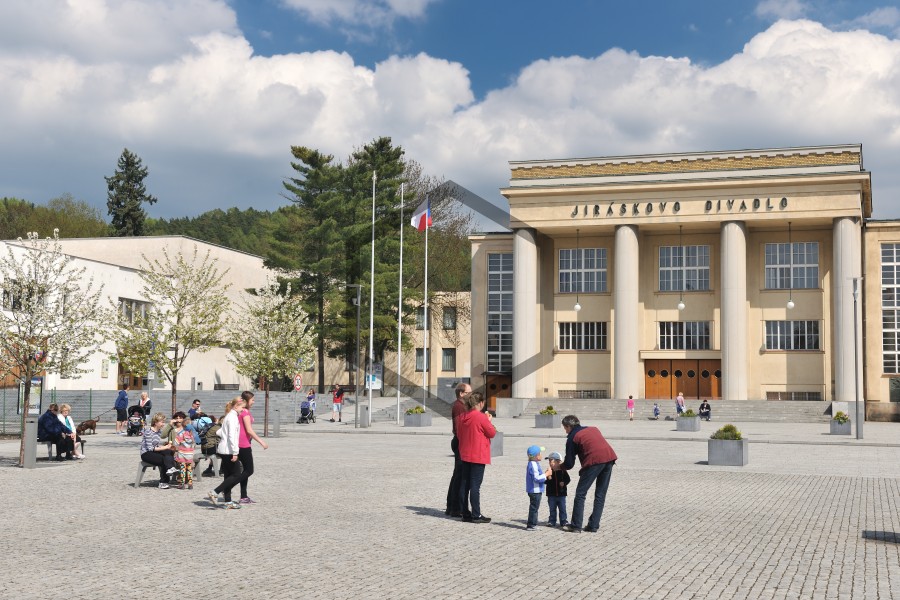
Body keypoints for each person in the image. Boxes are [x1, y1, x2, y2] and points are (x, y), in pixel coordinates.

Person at [560, 414, 618, 533]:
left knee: (580, 493)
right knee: (600, 494)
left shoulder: (572, 437)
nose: (565, 431)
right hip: (609, 458)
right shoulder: (593, 429)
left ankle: (576, 526)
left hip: (594, 462)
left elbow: (569, 464)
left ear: (569, 426)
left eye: (565, 428)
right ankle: (593, 525)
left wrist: (559, 467)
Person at [456, 391, 495, 523]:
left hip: (465, 453)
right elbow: (491, 433)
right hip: (478, 455)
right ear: (481, 403)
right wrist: (489, 421)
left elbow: (459, 434)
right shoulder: (481, 417)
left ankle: (464, 513)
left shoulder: (463, 416)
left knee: (465, 484)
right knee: (475, 486)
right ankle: (476, 514)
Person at [208, 397, 245, 509]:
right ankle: (215, 491)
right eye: (242, 407)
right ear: (236, 406)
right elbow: (232, 436)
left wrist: (224, 436)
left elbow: (219, 432)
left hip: (223, 449)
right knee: (237, 474)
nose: (243, 410)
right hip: (229, 450)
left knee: (228, 475)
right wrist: (235, 452)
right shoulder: (233, 418)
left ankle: (228, 501)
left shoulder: (228, 416)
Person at [236, 390, 269, 504]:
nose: (253, 402)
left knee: (245, 470)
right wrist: (261, 442)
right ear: (246, 400)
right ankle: (225, 487)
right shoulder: (245, 412)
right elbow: (249, 430)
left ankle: (243, 496)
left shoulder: (243, 411)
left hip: (243, 443)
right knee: (249, 470)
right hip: (243, 444)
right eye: (252, 400)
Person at [445, 381, 471, 517]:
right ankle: (455, 507)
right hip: (461, 443)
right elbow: (458, 428)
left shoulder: (463, 406)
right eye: (468, 392)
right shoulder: (459, 406)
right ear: (461, 393)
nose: (471, 395)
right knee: (459, 476)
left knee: (457, 475)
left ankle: (452, 506)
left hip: (461, 442)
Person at [140, 412, 178, 489]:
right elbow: (150, 448)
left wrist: (166, 447)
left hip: (154, 451)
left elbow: (157, 445)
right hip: (146, 453)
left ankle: (170, 468)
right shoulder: (148, 431)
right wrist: (165, 447)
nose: (163, 424)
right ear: (155, 422)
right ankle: (163, 482)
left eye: (163, 422)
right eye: (162, 422)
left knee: (168, 452)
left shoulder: (159, 432)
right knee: (164, 459)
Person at [525, 445, 551, 531]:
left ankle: (532, 524)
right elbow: (536, 478)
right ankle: (531, 525)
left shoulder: (534, 463)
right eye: (540, 454)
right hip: (535, 490)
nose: (541, 455)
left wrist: (544, 474)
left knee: (535, 507)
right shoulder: (533, 465)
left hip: (535, 490)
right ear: (536, 456)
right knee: (534, 508)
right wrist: (546, 474)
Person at [171, 411, 196, 490]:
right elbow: (194, 445)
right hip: (190, 454)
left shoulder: (181, 434)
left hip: (182, 454)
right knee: (189, 469)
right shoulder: (192, 435)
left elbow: (175, 443)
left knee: (182, 469)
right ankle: (190, 483)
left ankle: (182, 483)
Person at [545, 451, 570, 527]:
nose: (550, 463)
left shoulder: (563, 471)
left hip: (561, 494)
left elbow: (568, 479)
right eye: (549, 461)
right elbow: (545, 481)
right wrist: (548, 477)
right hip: (551, 494)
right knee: (552, 509)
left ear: (558, 462)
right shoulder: (548, 471)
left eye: (552, 461)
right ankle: (552, 521)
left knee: (562, 509)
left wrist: (564, 483)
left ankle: (563, 521)